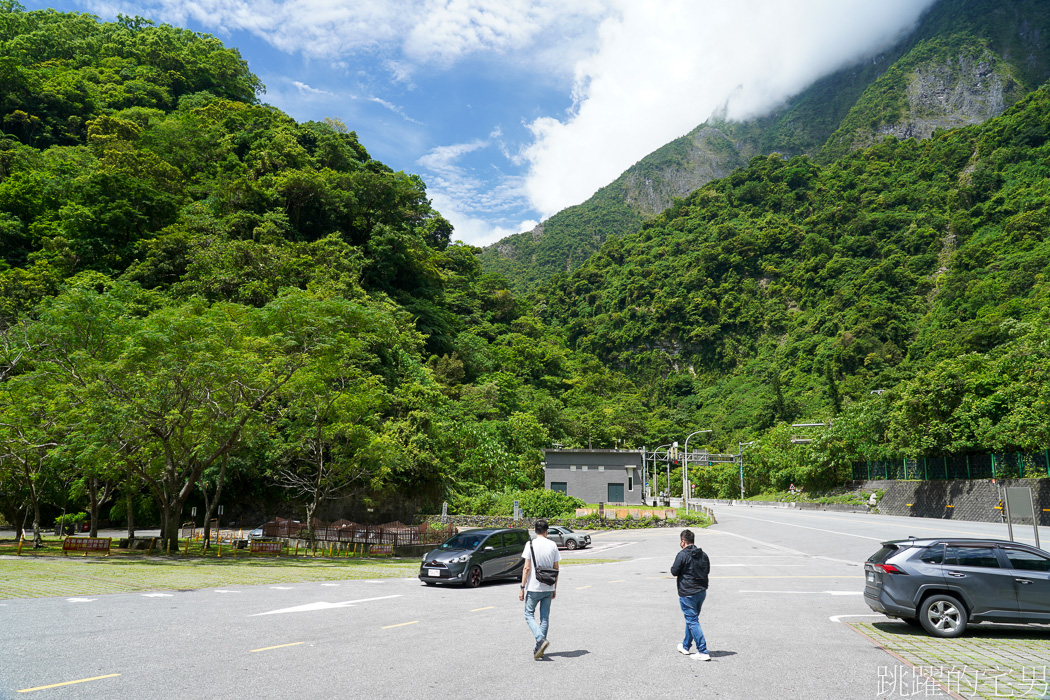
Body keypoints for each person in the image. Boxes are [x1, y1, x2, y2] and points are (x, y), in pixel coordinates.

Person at [520, 518, 560, 659]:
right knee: (544, 618)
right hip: (548, 586)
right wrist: (554, 587)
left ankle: (540, 639)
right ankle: (539, 649)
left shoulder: (530, 544)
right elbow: (556, 568)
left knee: (528, 614)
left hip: (533, 587)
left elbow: (526, 567)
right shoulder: (553, 545)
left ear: (535, 530)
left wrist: (522, 587)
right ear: (547, 531)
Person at [670, 528, 710, 661]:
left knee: (692, 620)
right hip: (701, 591)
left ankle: (703, 650)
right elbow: (707, 570)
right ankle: (686, 646)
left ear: (683, 541)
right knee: (692, 619)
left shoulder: (682, 555)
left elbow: (674, 571)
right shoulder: (703, 555)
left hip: (687, 592)